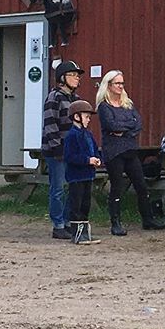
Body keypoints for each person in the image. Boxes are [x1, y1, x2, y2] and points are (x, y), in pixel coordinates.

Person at [96, 70, 165, 235]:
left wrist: (124, 129)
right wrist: (126, 126)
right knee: (117, 187)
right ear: (109, 85)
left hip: (130, 149)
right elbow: (112, 126)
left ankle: (147, 219)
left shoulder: (127, 103)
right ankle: (115, 223)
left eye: (122, 83)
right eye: (117, 83)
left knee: (141, 185)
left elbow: (138, 123)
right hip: (114, 152)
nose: (121, 86)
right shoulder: (104, 107)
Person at [41, 60, 84, 239]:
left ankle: (67, 222)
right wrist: (58, 149)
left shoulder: (75, 99)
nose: (76, 78)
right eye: (72, 75)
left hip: (72, 150)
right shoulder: (54, 97)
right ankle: (57, 224)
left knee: (71, 187)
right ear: (62, 78)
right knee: (57, 188)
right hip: (57, 151)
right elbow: (50, 124)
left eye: (77, 75)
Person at [63, 100, 102, 245]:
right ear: (76, 117)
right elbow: (69, 157)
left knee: (86, 204)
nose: (88, 119)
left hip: (88, 175)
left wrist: (97, 159)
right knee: (77, 204)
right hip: (76, 176)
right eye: (86, 116)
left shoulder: (88, 134)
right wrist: (87, 160)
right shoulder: (71, 136)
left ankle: (85, 233)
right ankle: (77, 234)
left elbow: (95, 150)